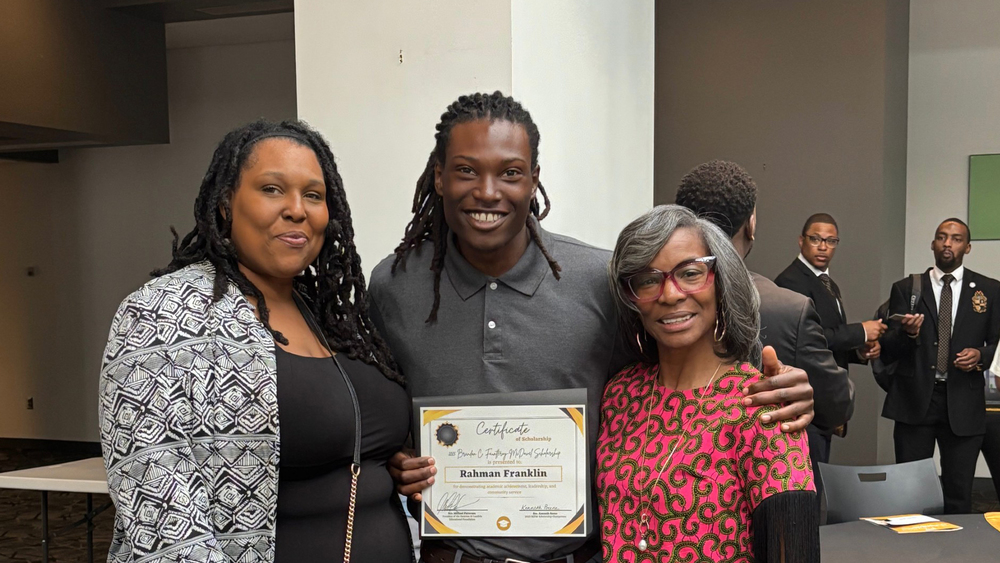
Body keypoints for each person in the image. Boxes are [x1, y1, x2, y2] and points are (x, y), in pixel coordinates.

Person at [368, 93, 816, 563]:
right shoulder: (393, 286)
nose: (487, 190)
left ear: (534, 179)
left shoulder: (596, 280)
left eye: (510, 172)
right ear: (438, 176)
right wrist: (396, 458)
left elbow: (686, 360)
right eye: (465, 170)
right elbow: (377, 410)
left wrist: (784, 390)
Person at [99, 120, 412, 562]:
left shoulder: (336, 318)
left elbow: (356, 452)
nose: (296, 209)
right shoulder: (161, 314)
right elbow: (159, 509)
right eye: (271, 189)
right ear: (226, 203)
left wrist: (400, 467)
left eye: (314, 195)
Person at [599, 204, 819, 562]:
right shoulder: (621, 395)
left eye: (689, 273)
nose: (669, 295)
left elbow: (793, 553)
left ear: (722, 283)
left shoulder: (760, 403)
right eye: (648, 280)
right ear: (631, 297)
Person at [675, 161, 854, 474]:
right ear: (751, 224)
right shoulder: (788, 309)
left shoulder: (650, 302)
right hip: (769, 478)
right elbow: (835, 403)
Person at [880, 218, 1000, 513]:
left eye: (956, 238)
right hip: (915, 399)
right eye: (942, 237)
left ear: (967, 247)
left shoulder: (989, 290)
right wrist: (908, 334)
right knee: (910, 493)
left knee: (959, 494)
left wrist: (982, 357)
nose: (948, 243)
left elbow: (997, 343)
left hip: (963, 399)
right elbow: (888, 348)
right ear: (933, 244)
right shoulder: (907, 288)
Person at [774, 213, 884, 461]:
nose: (823, 247)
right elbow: (807, 339)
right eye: (816, 239)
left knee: (820, 478)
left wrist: (858, 350)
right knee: (811, 483)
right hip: (804, 398)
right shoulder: (792, 281)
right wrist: (861, 331)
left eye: (831, 241)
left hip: (822, 398)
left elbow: (826, 341)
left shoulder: (826, 282)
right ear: (801, 241)